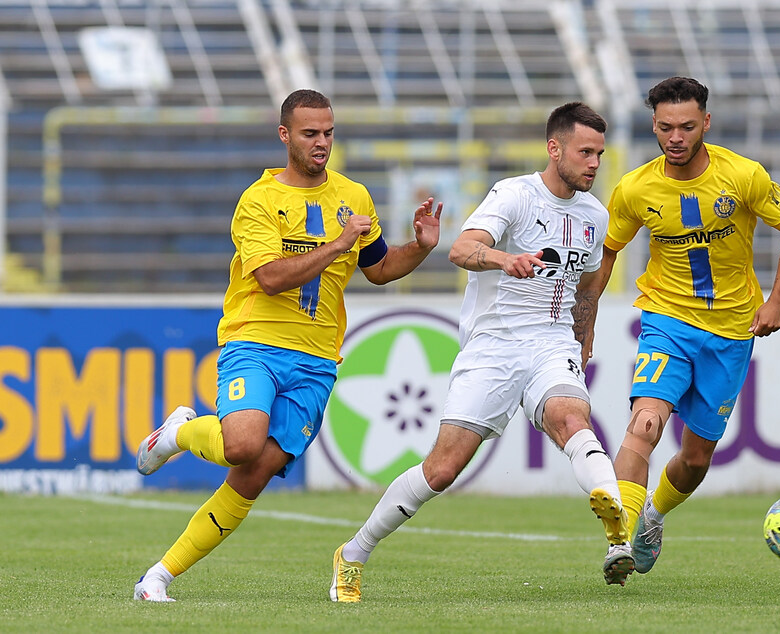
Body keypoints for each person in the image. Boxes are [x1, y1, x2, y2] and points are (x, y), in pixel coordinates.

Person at [132, 89, 443, 602]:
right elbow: (271, 278)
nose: (322, 143)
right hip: (255, 341)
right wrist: (338, 244)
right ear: (285, 136)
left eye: (329, 133)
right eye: (310, 134)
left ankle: (157, 578)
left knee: (254, 473)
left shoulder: (354, 197)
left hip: (318, 360)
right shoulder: (260, 200)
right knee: (240, 445)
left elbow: (380, 269)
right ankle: (183, 432)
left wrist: (421, 248)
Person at [329, 102, 633, 603]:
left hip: (552, 343)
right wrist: (503, 258)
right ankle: (354, 553)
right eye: (585, 152)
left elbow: (587, 288)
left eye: (600, 154)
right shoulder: (513, 195)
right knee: (441, 471)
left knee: (572, 418)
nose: (595, 164)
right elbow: (461, 249)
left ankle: (617, 534)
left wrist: (586, 336)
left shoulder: (594, 216)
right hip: (493, 347)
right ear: (554, 148)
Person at [582, 76, 780, 584]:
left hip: (732, 331)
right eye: (666, 127)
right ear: (655, 126)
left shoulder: (743, 176)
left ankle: (652, 519)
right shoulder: (636, 188)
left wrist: (776, 301)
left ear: (706, 122)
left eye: (687, 126)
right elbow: (609, 251)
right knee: (645, 422)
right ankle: (618, 540)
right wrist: (587, 324)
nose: (676, 137)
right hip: (667, 320)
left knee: (695, 457)